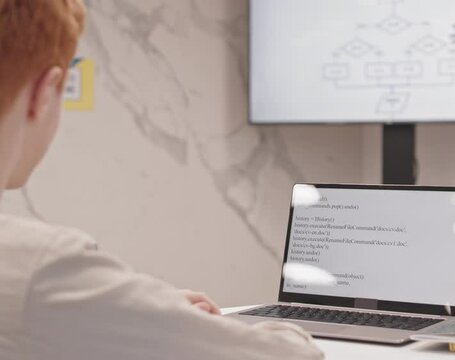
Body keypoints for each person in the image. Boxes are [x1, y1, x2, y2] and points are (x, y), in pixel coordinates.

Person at [0, 1, 323, 359]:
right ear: (46, 93)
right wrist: (287, 330)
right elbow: (286, 356)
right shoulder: (41, 269)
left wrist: (137, 314)